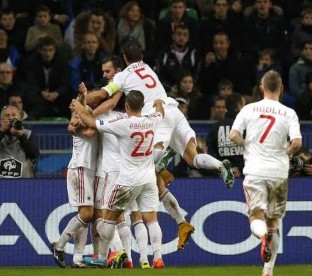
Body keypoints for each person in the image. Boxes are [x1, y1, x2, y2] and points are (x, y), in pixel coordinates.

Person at [85, 40, 234, 251]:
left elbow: (104, 97)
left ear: (124, 60)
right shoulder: (147, 68)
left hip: (155, 119)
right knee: (192, 158)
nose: (106, 74)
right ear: (141, 57)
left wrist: (83, 104)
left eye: (107, 71)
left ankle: (161, 159)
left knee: (151, 164)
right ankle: (218, 166)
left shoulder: (123, 76)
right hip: (173, 110)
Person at [71, 90, 166, 269]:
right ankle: (158, 258)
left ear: (127, 106)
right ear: (142, 104)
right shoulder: (152, 119)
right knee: (152, 219)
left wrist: (78, 107)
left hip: (128, 180)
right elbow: (161, 112)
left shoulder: (123, 123)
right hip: (148, 179)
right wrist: (159, 101)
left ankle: (101, 257)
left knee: (107, 218)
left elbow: (91, 122)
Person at [229, 70, 302, 276]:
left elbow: (233, 135)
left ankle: (263, 237)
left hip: (255, 170)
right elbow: (297, 142)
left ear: (261, 88)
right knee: (274, 222)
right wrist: (285, 154)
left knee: (256, 216)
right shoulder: (289, 113)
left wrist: (247, 145)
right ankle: (268, 271)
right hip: (278, 172)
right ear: (282, 89)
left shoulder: (248, 109)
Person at [51, 90, 98, 269]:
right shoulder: (84, 114)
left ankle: (77, 259)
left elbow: (74, 125)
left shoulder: (88, 113)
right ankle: (59, 245)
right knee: (86, 214)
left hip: (88, 169)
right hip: (80, 167)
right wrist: (81, 104)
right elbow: (88, 131)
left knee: (84, 215)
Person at [0, 105, 40, 178]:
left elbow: (35, 154)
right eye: (7, 115)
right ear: (1, 120)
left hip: (24, 182)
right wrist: (1, 131)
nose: (11, 118)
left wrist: (21, 136)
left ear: (20, 119)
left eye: (14, 115)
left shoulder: (28, 134)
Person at [207, 93, 245, 177]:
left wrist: (226, 170)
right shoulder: (246, 126)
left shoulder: (216, 127)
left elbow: (211, 156)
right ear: (238, 107)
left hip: (222, 178)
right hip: (244, 177)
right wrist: (241, 170)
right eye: (243, 105)